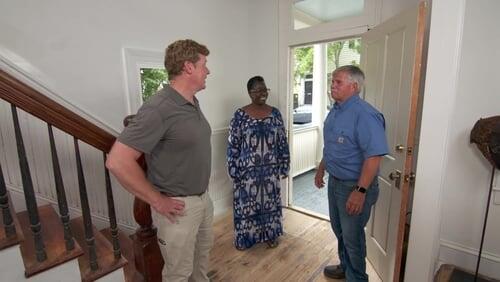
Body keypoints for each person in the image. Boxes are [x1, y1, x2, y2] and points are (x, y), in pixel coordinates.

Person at [106, 39, 213, 282]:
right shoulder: (159, 108)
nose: (208, 71)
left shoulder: (191, 102)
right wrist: (158, 200)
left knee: (200, 265)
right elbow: (117, 161)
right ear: (188, 67)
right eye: (204, 65)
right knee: (178, 274)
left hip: (203, 200)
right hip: (178, 209)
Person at [314, 65, 388, 281]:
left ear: (354, 87)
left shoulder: (365, 115)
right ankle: (345, 267)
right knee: (340, 231)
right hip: (335, 183)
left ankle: (357, 277)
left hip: (354, 185)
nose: (332, 85)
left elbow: (374, 157)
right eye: (332, 81)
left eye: (338, 82)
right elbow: (332, 146)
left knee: (352, 237)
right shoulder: (336, 110)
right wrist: (321, 169)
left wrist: (360, 190)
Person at [227, 76, 290, 250]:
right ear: (249, 92)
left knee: (269, 205)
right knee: (247, 207)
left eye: (265, 90)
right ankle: (246, 238)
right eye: (258, 90)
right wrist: (233, 170)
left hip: (270, 171)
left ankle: (270, 235)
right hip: (247, 173)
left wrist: (285, 164)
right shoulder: (239, 115)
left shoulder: (275, 114)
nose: (263, 94)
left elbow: (282, 142)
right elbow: (233, 145)